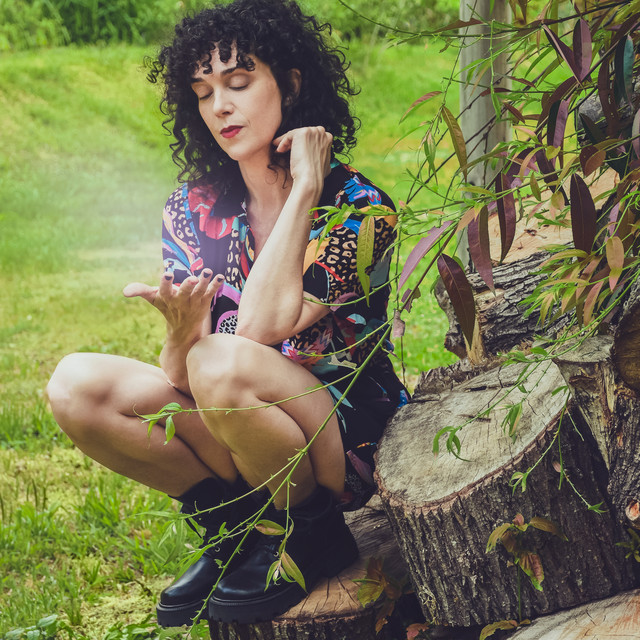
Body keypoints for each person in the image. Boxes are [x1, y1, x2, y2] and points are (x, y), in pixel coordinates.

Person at [46, 0, 408, 628]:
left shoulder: (360, 209)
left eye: (238, 82)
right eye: (203, 91)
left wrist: (303, 189)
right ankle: (236, 530)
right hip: (235, 414)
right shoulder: (192, 210)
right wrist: (181, 330)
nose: (219, 106)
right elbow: (186, 374)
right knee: (76, 387)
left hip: (340, 435)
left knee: (221, 358)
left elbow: (259, 332)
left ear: (290, 82)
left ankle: (309, 531)